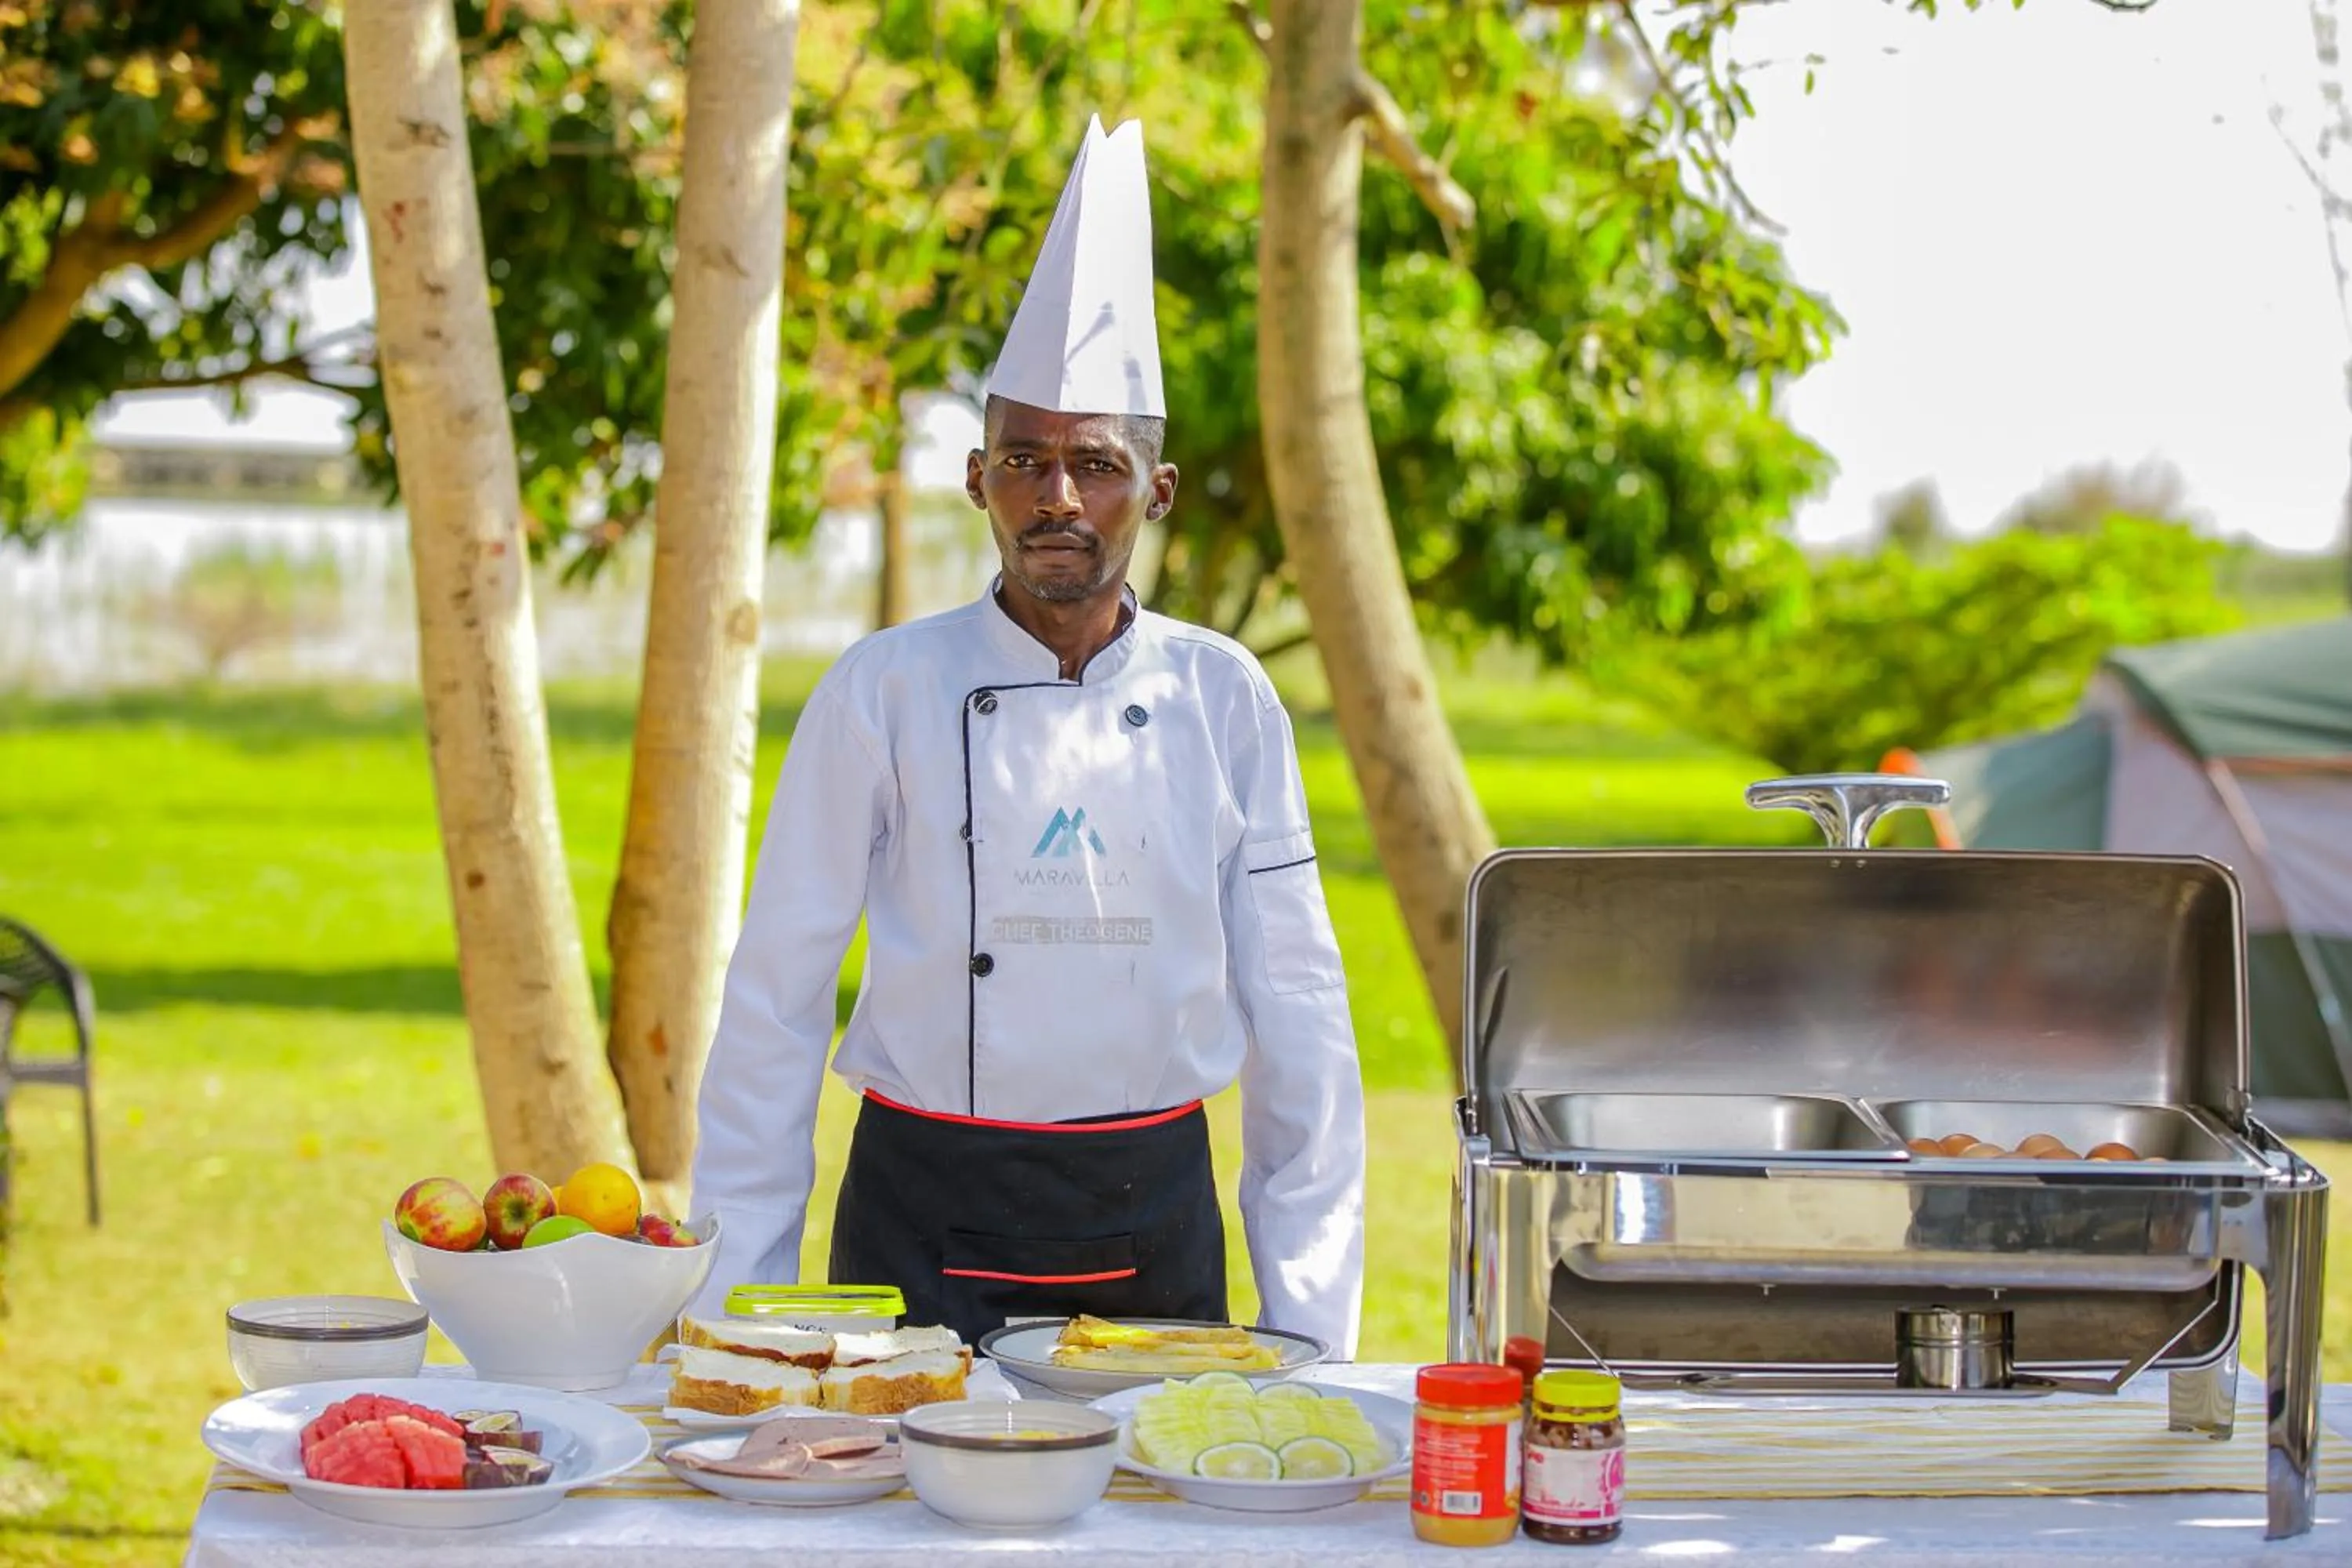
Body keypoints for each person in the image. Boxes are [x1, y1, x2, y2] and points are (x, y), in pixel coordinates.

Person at [685, 116, 1366, 1356]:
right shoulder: (880, 691)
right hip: (916, 1213)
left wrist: (1312, 1325)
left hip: (1148, 1214)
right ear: (976, 479)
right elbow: (775, 1000)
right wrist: (737, 1309)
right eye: (1025, 460)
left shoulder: (1225, 700)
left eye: (1096, 464)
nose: (1059, 498)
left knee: (1152, 1535)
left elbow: (1301, 1013)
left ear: (1155, 490)